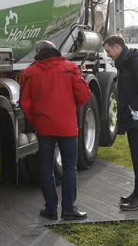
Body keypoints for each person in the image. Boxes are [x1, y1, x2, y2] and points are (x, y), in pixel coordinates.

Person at [20, 40, 92, 221]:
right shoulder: (69, 68)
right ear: (55, 50)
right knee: (69, 167)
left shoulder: (28, 73)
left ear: (37, 52)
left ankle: (50, 209)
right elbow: (84, 95)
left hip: (44, 127)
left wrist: (36, 121)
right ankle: (68, 209)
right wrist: (68, 107)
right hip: (67, 127)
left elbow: (25, 103)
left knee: (45, 166)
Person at [102, 35, 138, 211]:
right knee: (136, 157)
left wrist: (133, 108)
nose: (109, 55)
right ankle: (137, 193)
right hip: (133, 118)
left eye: (109, 51)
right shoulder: (126, 62)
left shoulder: (136, 62)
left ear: (117, 47)